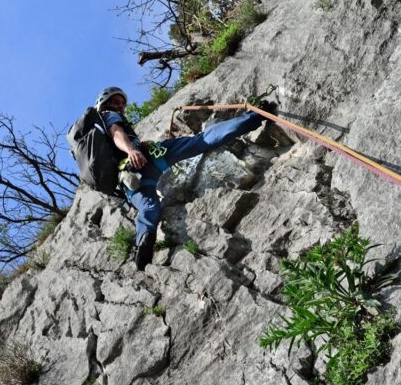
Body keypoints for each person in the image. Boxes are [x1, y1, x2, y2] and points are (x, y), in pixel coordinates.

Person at [95, 86, 270, 271]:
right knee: (201, 141)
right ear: (104, 104)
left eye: (122, 104)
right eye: (116, 102)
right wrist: (131, 150)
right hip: (148, 161)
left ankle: (143, 241)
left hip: (129, 181)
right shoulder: (109, 115)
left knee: (148, 208)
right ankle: (254, 116)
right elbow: (116, 132)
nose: (120, 106)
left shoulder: (98, 139)